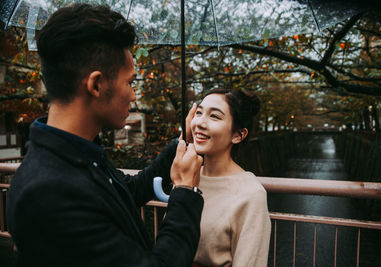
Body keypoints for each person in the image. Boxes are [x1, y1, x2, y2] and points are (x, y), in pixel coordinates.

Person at [6, 4, 204, 267]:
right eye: (130, 83)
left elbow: (128, 192)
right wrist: (185, 192)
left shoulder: (74, 153)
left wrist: (182, 141)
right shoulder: (51, 193)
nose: (134, 96)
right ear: (96, 84)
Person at [191, 88, 271, 267]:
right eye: (199, 112)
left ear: (238, 135)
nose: (200, 123)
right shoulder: (186, 178)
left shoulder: (251, 194)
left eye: (215, 117)